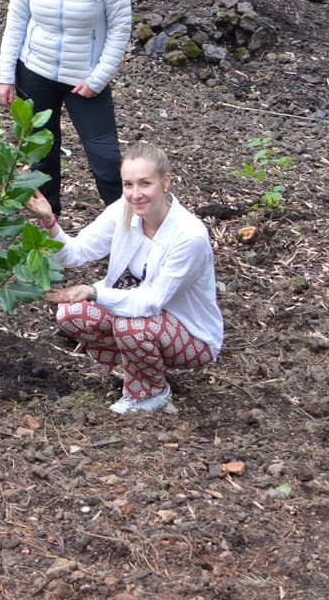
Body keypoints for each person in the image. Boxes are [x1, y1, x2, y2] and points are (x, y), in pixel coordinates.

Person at [24, 142, 221, 414]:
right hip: (143, 317)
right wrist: (49, 221)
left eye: (145, 184)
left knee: (132, 325)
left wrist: (94, 292)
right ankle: (138, 369)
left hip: (192, 336)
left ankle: (151, 393)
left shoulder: (189, 236)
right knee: (70, 314)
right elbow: (76, 252)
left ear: (165, 182)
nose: (135, 194)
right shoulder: (123, 210)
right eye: (128, 185)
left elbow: (150, 302)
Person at [0, 0, 133, 212]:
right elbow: (16, 21)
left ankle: (128, 228)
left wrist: (98, 79)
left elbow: (120, 28)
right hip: (35, 72)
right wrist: (5, 75)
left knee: (106, 159)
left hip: (84, 78)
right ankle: (49, 231)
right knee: (42, 156)